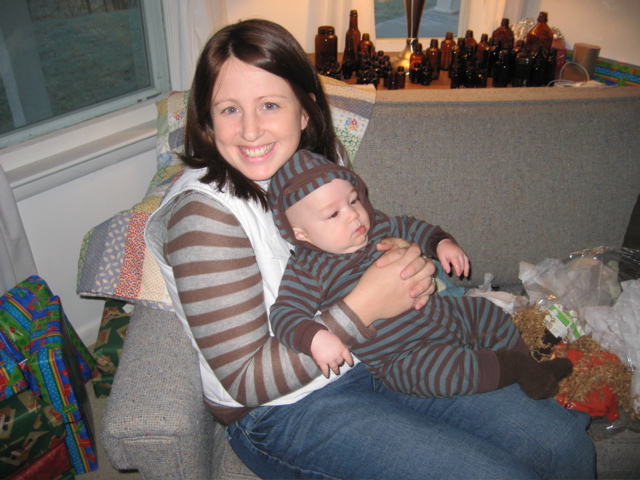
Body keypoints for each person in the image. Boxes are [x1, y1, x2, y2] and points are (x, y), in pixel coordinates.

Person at [144, 18, 596, 480]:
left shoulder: (318, 165)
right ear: (206, 119)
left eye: (270, 105)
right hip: (284, 409)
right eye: (229, 110)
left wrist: (404, 259)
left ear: (304, 111)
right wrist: (365, 306)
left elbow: (371, 237)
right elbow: (244, 380)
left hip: (385, 354)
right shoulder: (203, 219)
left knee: (563, 443)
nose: (250, 130)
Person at [268, 149, 574, 400]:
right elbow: (284, 314)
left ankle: (532, 364)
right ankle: (518, 368)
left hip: (445, 312)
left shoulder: (379, 226)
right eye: (334, 214)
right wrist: (315, 337)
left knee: (485, 311)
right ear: (300, 232)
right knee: (446, 373)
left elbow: (411, 226)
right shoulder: (308, 269)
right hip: (404, 356)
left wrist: (441, 243)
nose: (353, 215)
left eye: (353, 200)